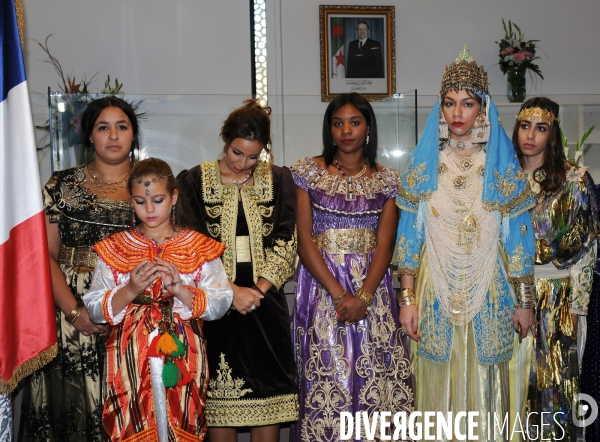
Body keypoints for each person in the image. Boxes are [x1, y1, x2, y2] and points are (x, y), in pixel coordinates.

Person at [396, 46, 536, 440]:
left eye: (468, 103)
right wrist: (407, 301)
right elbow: (409, 240)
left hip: (490, 289)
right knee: (436, 384)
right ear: (440, 109)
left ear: (483, 109)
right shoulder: (424, 168)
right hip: (435, 290)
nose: (458, 113)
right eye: (450, 103)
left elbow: (519, 239)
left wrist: (525, 302)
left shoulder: (501, 167)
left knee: (488, 385)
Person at [291, 92, 414, 441]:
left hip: (371, 290)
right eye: (338, 122)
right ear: (329, 129)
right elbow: (304, 239)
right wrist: (340, 294)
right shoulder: (307, 173)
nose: (346, 130)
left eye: (355, 122)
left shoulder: (387, 179)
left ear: (368, 128)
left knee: (378, 381)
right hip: (322, 290)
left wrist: (364, 296)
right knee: (328, 379)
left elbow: (386, 244)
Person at [83, 158, 233, 441]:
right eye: (140, 202)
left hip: (182, 350)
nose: (149, 209)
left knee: (181, 417)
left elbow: (221, 300)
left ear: (174, 197)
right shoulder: (116, 248)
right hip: (130, 352)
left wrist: (180, 290)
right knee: (134, 420)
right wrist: (130, 290)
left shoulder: (198, 246)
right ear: (130, 201)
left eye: (158, 200)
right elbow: (94, 306)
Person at [18, 96, 139, 441]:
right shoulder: (61, 185)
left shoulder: (151, 186)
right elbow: (45, 255)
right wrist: (74, 312)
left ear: (133, 135)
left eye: (122, 126)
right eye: (103, 127)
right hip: (69, 313)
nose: (113, 135)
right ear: (89, 136)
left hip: (131, 313)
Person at [176, 99, 298, 442]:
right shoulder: (194, 181)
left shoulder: (278, 179)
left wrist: (255, 292)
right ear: (224, 139)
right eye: (236, 152)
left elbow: (287, 240)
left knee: (268, 403)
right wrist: (230, 292)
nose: (244, 163)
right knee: (219, 408)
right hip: (214, 307)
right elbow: (191, 246)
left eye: (253, 156)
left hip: (265, 305)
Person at [512, 98, 598, 441]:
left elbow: (588, 249)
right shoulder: (502, 178)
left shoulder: (574, 180)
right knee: (513, 387)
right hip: (508, 295)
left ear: (552, 133)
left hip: (558, 294)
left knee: (553, 388)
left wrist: (577, 307)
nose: (530, 135)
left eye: (541, 128)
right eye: (525, 125)